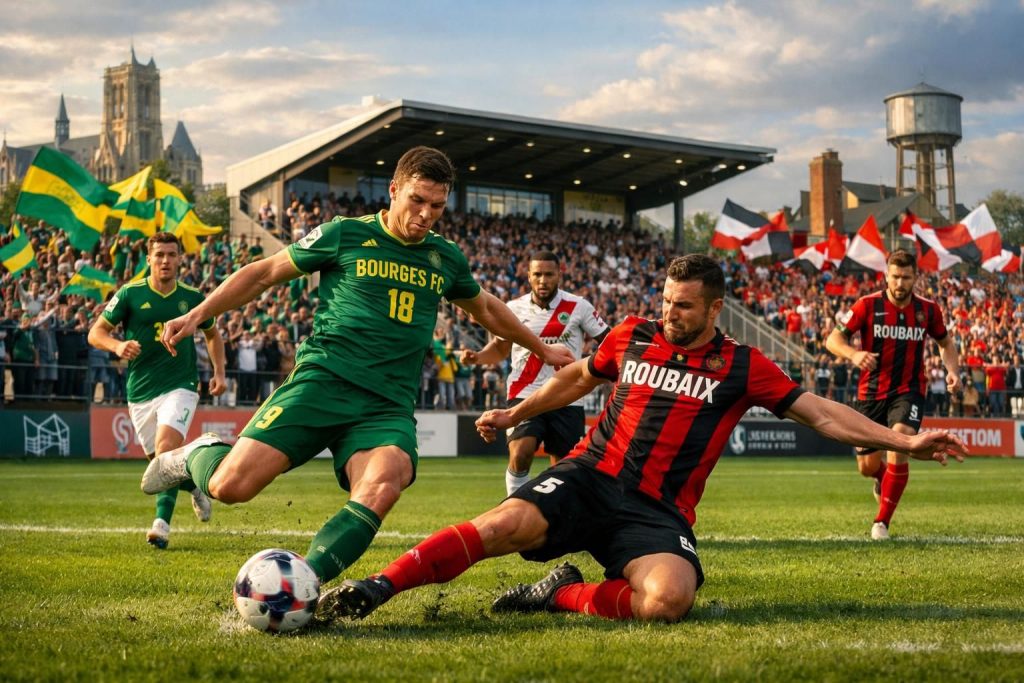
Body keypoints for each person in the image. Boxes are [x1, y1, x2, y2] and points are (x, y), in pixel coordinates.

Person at [315, 254, 966, 625]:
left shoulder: (743, 364)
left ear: (714, 309)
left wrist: (905, 444)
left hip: (657, 510)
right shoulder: (632, 335)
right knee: (503, 521)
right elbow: (572, 379)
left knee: (668, 599)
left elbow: (823, 413)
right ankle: (379, 587)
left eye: (682, 305)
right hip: (590, 474)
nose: (668, 312)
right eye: (665, 300)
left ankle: (559, 594)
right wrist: (516, 411)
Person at [140, 146, 574, 587]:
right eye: (417, 201)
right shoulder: (344, 234)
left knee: (388, 479)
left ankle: (305, 584)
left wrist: (543, 348)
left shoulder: (445, 258)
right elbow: (263, 274)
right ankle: (198, 453)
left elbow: (485, 309)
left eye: (437, 206)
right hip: (323, 382)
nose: (426, 214)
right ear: (393, 190)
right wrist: (197, 315)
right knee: (231, 486)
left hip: (386, 405)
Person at [89, 232, 227, 549]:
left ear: (180, 259)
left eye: (171, 254)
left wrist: (219, 372)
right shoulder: (129, 294)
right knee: (159, 465)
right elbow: (96, 332)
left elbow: (213, 335)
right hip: (140, 390)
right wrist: (117, 345)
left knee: (165, 451)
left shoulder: (193, 298)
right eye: (159, 255)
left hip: (181, 385)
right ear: (148, 259)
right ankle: (194, 487)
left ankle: (161, 526)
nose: (165, 260)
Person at [825, 249, 960, 541]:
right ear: (886, 275)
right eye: (895, 276)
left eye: (906, 277)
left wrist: (953, 372)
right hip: (870, 394)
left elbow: (945, 343)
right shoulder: (866, 305)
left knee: (900, 439)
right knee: (868, 467)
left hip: (908, 391)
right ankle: (881, 480)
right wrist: (853, 353)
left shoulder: (928, 310)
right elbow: (833, 339)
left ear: (915, 278)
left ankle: (881, 523)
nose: (900, 283)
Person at [461, 251, 609, 495]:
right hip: (524, 392)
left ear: (559, 275)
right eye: (537, 274)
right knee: (521, 452)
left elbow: (608, 340)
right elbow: (499, 349)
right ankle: (513, 505)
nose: (543, 280)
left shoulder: (578, 306)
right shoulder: (513, 309)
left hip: (567, 395)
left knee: (564, 467)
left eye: (549, 274)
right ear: (528, 276)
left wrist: (593, 370)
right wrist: (477, 357)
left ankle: (556, 517)